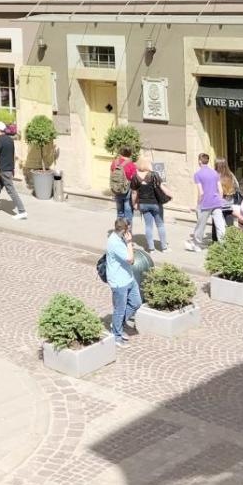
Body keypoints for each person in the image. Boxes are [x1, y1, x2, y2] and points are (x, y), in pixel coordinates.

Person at [106, 217, 141, 346]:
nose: (130, 231)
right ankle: (117, 336)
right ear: (124, 230)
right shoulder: (114, 242)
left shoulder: (119, 237)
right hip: (119, 282)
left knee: (136, 302)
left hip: (128, 277)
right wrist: (129, 242)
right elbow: (130, 259)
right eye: (129, 229)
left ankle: (116, 324)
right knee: (119, 310)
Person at [185, 152, 226, 251]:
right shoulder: (215, 173)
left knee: (201, 225)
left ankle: (197, 245)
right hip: (216, 202)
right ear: (207, 161)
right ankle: (224, 246)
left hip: (205, 203)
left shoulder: (198, 174)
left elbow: (201, 192)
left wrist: (198, 204)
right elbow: (220, 190)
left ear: (200, 161)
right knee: (220, 224)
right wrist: (219, 200)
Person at [132, 159, 168, 252]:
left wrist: (134, 203)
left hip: (143, 204)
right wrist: (169, 195)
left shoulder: (135, 177)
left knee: (148, 226)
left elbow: (134, 193)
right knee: (160, 225)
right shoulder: (154, 175)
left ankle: (151, 248)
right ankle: (164, 247)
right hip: (155, 203)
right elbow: (161, 187)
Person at [109, 148, 138, 227]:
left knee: (119, 213)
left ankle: (119, 231)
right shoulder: (131, 165)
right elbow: (134, 180)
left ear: (121, 153)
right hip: (127, 191)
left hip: (116, 189)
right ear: (130, 154)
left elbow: (112, 175)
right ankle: (128, 233)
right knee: (128, 214)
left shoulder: (114, 163)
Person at [216, 157, 240, 235]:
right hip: (229, 202)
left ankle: (217, 239)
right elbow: (237, 186)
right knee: (229, 221)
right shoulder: (231, 175)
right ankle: (231, 237)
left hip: (219, 203)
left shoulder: (216, 176)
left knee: (217, 223)